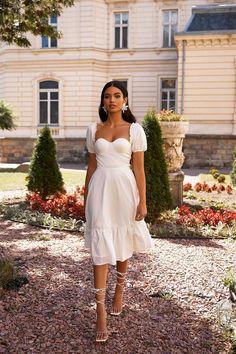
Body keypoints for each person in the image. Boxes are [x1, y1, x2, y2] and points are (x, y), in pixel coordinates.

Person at [84, 80, 154, 343]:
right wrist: (85, 197)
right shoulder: (93, 129)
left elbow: (139, 169)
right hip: (100, 189)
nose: (111, 100)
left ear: (125, 100)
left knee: (123, 238)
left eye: (116, 95)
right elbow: (91, 167)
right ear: (102, 101)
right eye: (107, 96)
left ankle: (120, 289)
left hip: (125, 190)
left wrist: (143, 202)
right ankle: (100, 309)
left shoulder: (135, 130)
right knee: (100, 246)